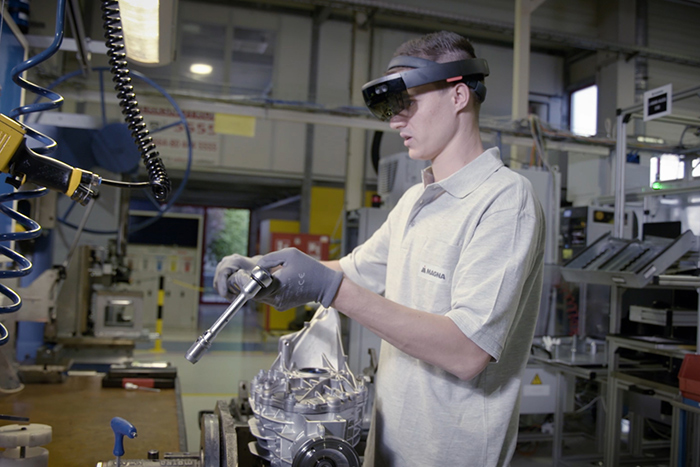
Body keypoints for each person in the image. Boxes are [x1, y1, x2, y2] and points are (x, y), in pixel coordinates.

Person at [215, 31, 545, 467]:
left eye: (407, 103)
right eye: (390, 109)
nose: (395, 121)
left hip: (451, 456)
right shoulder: (414, 200)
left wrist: (328, 287)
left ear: (458, 95)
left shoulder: (505, 199)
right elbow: (354, 271)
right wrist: (269, 273)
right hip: (389, 445)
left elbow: (467, 352)